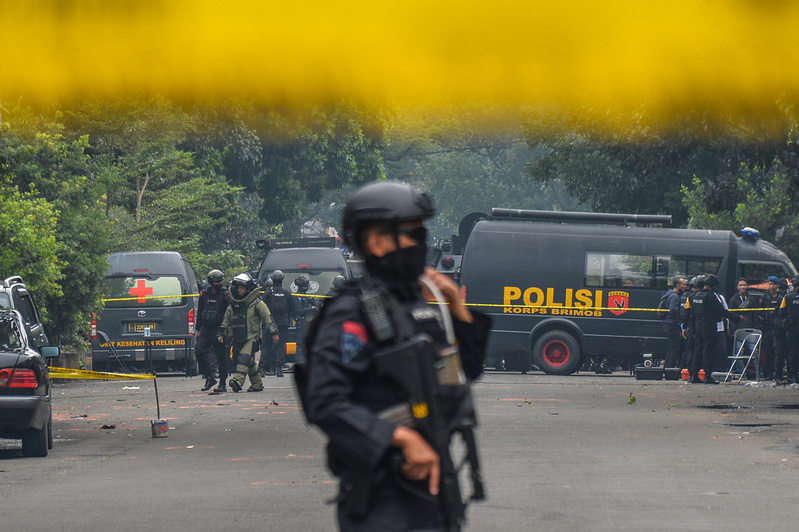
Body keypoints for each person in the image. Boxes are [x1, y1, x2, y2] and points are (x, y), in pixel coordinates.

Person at [297, 181, 491, 531]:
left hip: (431, 492)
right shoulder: (353, 312)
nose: (422, 244)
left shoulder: (415, 305)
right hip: (383, 497)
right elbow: (325, 400)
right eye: (412, 234)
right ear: (376, 241)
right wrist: (399, 437)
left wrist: (455, 304)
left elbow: (465, 371)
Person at [219, 273, 279, 393]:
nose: (239, 290)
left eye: (242, 288)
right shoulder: (233, 305)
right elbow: (226, 320)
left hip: (253, 337)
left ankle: (237, 381)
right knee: (248, 362)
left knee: (244, 358)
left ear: (248, 289)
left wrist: (274, 333)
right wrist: (221, 334)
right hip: (236, 337)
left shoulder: (257, 303)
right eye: (238, 288)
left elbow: (268, 317)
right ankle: (257, 384)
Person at [686, 274, 745, 384]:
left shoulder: (695, 296)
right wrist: (737, 318)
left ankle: (694, 375)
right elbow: (721, 311)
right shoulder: (710, 296)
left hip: (698, 326)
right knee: (708, 351)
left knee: (697, 351)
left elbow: (692, 315)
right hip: (709, 326)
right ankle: (707, 376)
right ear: (712, 285)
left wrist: (693, 330)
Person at [195, 269, 231, 392]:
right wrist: (198, 330)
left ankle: (222, 383)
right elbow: (200, 312)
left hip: (219, 328)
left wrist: (225, 330)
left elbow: (229, 312)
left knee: (221, 357)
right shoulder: (204, 294)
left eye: (220, 281)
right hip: (205, 328)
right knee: (198, 351)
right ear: (211, 281)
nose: (218, 284)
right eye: (216, 282)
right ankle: (210, 377)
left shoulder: (225, 294)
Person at [261, 270, 294, 378]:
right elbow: (292, 309)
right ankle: (279, 369)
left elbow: (262, 309)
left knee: (266, 346)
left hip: (269, 323)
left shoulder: (267, 294)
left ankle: (262, 369)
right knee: (281, 346)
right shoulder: (286, 293)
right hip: (283, 323)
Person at [757, 276, 784, 380]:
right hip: (767, 327)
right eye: (770, 284)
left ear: (777, 285)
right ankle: (767, 373)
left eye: (773, 284)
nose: (771, 286)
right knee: (768, 351)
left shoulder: (782, 297)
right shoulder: (765, 297)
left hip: (778, 328)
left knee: (778, 352)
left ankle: (778, 374)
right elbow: (760, 312)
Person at [661, 276, 687, 368]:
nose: (686, 286)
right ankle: (670, 369)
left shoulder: (670, 294)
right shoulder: (675, 296)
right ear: (677, 285)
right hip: (671, 325)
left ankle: (667, 368)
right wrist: (683, 312)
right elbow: (673, 309)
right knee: (675, 348)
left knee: (671, 348)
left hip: (668, 324)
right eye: (683, 284)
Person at [777, 275, 799, 385]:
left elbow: (780, 313)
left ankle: (791, 377)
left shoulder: (787, 297)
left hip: (792, 329)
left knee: (792, 353)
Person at [292, 274, 318, 364]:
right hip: (301, 321)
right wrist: (312, 308)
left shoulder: (307, 296)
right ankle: (299, 360)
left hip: (309, 322)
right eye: (304, 286)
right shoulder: (295, 296)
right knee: (300, 342)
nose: (306, 287)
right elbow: (299, 311)